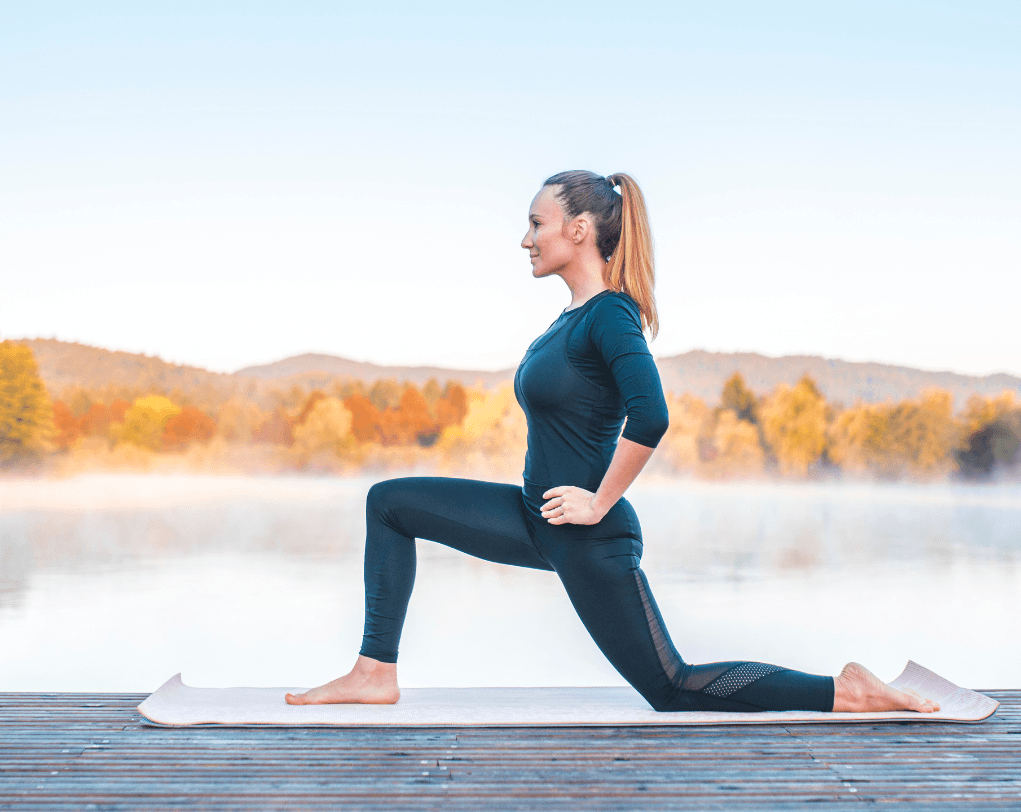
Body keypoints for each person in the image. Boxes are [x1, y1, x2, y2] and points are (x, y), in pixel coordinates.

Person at [287, 171, 939, 715]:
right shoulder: (566, 320)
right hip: (534, 517)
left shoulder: (610, 314)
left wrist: (599, 502)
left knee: (671, 687)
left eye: (536, 224)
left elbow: (650, 416)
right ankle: (375, 671)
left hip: (587, 534)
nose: (525, 240)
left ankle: (843, 690)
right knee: (390, 503)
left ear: (578, 230)